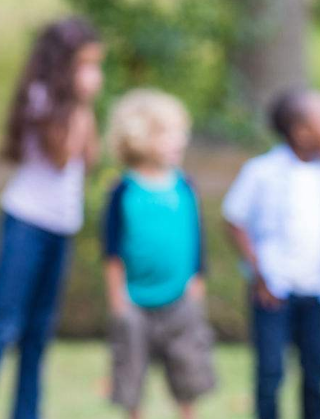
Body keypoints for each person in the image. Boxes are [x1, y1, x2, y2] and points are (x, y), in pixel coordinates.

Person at [0, 17, 104, 419]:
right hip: (26, 222)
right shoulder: (41, 97)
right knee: (4, 323)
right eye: (87, 64)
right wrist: (81, 104)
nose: (94, 74)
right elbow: (62, 156)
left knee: (39, 331)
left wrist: (87, 107)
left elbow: (90, 159)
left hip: (62, 226)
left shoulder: (77, 107)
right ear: (65, 64)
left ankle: (26, 411)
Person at [222, 87, 320, 419]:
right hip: (274, 291)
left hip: (318, 293)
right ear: (302, 132)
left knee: (315, 374)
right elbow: (234, 218)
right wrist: (258, 272)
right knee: (270, 372)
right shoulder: (262, 171)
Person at [102, 89, 215, 419]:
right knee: (130, 374)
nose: (179, 140)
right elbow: (112, 249)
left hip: (180, 296)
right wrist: (117, 297)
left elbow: (196, 235)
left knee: (188, 371)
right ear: (138, 137)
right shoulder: (122, 190)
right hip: (134, 300)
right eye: (166, 132)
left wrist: (197, 278)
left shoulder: (184, 185)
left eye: (180, 131)